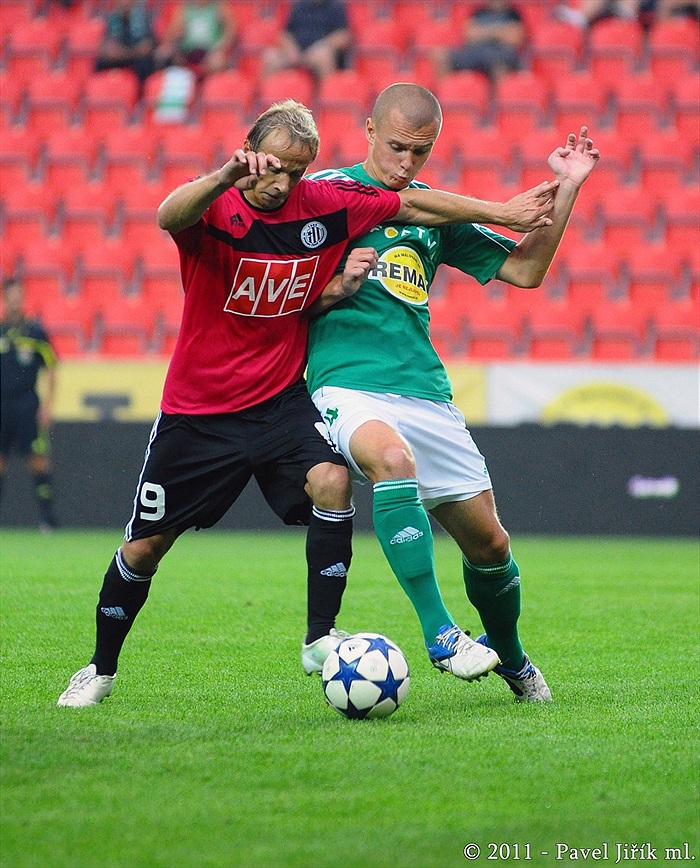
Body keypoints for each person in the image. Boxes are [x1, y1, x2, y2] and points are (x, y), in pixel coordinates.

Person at [57, 98, 559, 708]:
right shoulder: (216, 209)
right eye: (275, 166)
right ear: (250, 154)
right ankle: (99, 667)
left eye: (298, 170)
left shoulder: (324, 203)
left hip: (278, 400)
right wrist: (224, 175)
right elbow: (168, 214)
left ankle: (320, 639)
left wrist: (499, 212)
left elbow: (410, 203)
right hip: (199, 409)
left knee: (332, 480)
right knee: (144, 547)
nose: (284, 181)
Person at [306, 83, 600, 701]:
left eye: (421, 151)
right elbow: (395, 202)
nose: (407, 162)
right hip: (345, 381)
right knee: (393, 462)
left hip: (424, 390)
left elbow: (525, 270)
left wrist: (567, 188)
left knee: (490, 543)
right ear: (367, 130)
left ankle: (515, 662)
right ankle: (440, 632)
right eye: (396, 147)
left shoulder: (437, 218)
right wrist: (500, 207)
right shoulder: (329, 191)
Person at [0, 276, 59, 532]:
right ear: (4, 298)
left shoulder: (35, 331)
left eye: (18, 295)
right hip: (2, 405)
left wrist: (47, 406)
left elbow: (52, 368)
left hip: (27, 405)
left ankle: (47, 520)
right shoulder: (1, 330)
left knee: (37, 459)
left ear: (22, 298)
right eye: (10, 295)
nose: (15, 300)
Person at [433, 0, 526, 83]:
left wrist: (483, 31)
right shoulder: (478, 13)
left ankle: (494, 101)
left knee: (500, 67)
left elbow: (514, 39)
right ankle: (442, 96)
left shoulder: (514, 15)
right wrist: (499, 32)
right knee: (441, 56)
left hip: (500, 54)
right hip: (475, 52)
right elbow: (469, 35)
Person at [262, 0, 351, 81]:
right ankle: (266, 96)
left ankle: (328, 96)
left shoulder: (336, 6)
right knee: (270, 56)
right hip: (296, 53)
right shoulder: (299, 6)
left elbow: (343, 36)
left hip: (318, 53)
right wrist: (291, 49)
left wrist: (320, 46)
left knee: (323, 56)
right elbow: (283, 34)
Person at [156, 0, 236, 77]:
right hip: (187, 49)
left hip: (211, 50)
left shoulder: (219, 6)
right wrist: (173, 39)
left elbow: (231, 31)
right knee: (163, 54)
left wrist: (220, 48)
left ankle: (209, 88)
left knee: (217, 63)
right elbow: (171, 33)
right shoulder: (185, 6)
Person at [95, 0, 159, 87]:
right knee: (99, 63)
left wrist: (123, 53)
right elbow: (106, 49)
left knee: (145, 63)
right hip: (118, 60)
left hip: (136, 63)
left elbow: (146, 48)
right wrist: (133, 51)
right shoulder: (112, 19)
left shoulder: (145, 18)